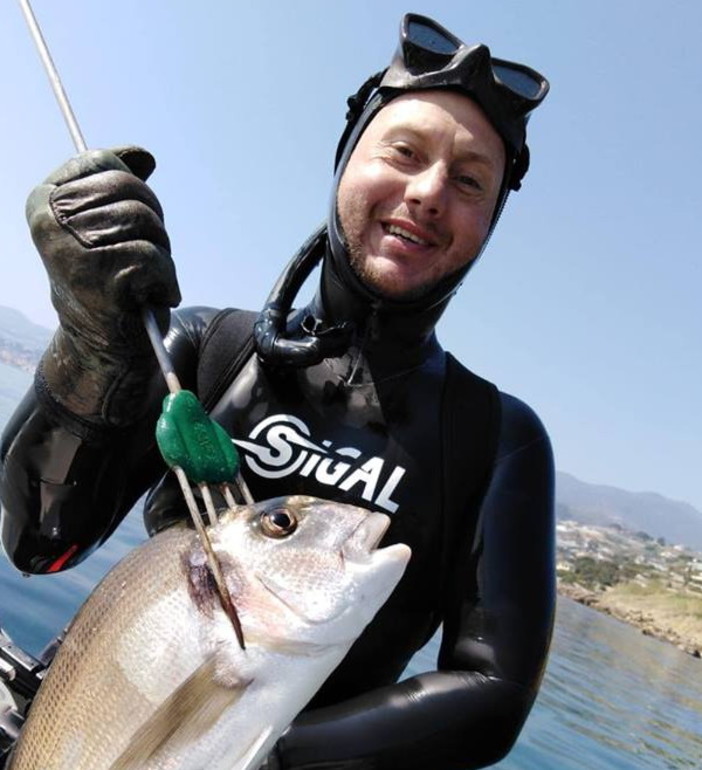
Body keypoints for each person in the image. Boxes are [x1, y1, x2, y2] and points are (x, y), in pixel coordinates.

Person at [0, 13, 555, 770]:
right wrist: (91, 347)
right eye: (404, 151)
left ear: (489, 222)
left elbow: (493, 690)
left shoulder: (496, 438)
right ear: (345, 158)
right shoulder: (202, 348)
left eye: (469, 181)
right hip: (83, 733)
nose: (428, 192)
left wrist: (257, 751)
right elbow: (39, 542)